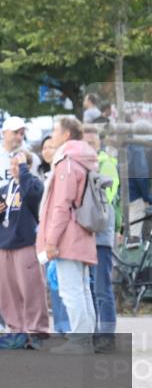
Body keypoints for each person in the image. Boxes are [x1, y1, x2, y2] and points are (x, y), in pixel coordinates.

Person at [37, 116, 98, 354]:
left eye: (55, 131)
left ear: (66, 135)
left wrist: (51, 241)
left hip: (68, 235)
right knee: (82, 288)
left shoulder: (67, 162)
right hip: (82, 231)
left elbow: (61, 205)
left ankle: (80, 341)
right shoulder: (85, 159)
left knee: (71, 289)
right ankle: (85, 339)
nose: (52, 136)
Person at [0, 115, 39, 334]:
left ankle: (25, 322)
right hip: (1, 220)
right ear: (4, 133)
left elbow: (37, 188)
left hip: (25, 222)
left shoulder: (30, 157)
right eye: (15, 132)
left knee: (26, 275)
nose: (19, 137)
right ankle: (0, 319)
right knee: (0, 275)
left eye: (22, 133)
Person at [0, 151, 48, 350]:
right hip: (4, 244)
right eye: (12, 165)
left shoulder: (33, 185)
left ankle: (36, 331)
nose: (14, 168)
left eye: (19, 165)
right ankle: (16, 331)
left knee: (31, 289)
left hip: (25, 243)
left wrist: (24, 170)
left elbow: (33, 196)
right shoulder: (4, 189)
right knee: (8, 292)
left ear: (27, 167)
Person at [82, 124, 120, 352]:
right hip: (85, 234)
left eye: (92, 143)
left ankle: (107, 335)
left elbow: (108, 196)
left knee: (102, 288)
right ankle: (94, 332)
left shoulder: (106, 164)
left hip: (101, 234)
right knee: (89, 286)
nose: (89, 147)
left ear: (99, 144)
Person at [37, 135, 69, 334]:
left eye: (52, 146)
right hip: (42, 232)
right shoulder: (39, 174)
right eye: (45, 147)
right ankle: (59, 324)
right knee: (52, 280)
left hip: (59, 234)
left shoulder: (63, 171)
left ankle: (68, 325)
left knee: (64, 281)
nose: (48, 150)